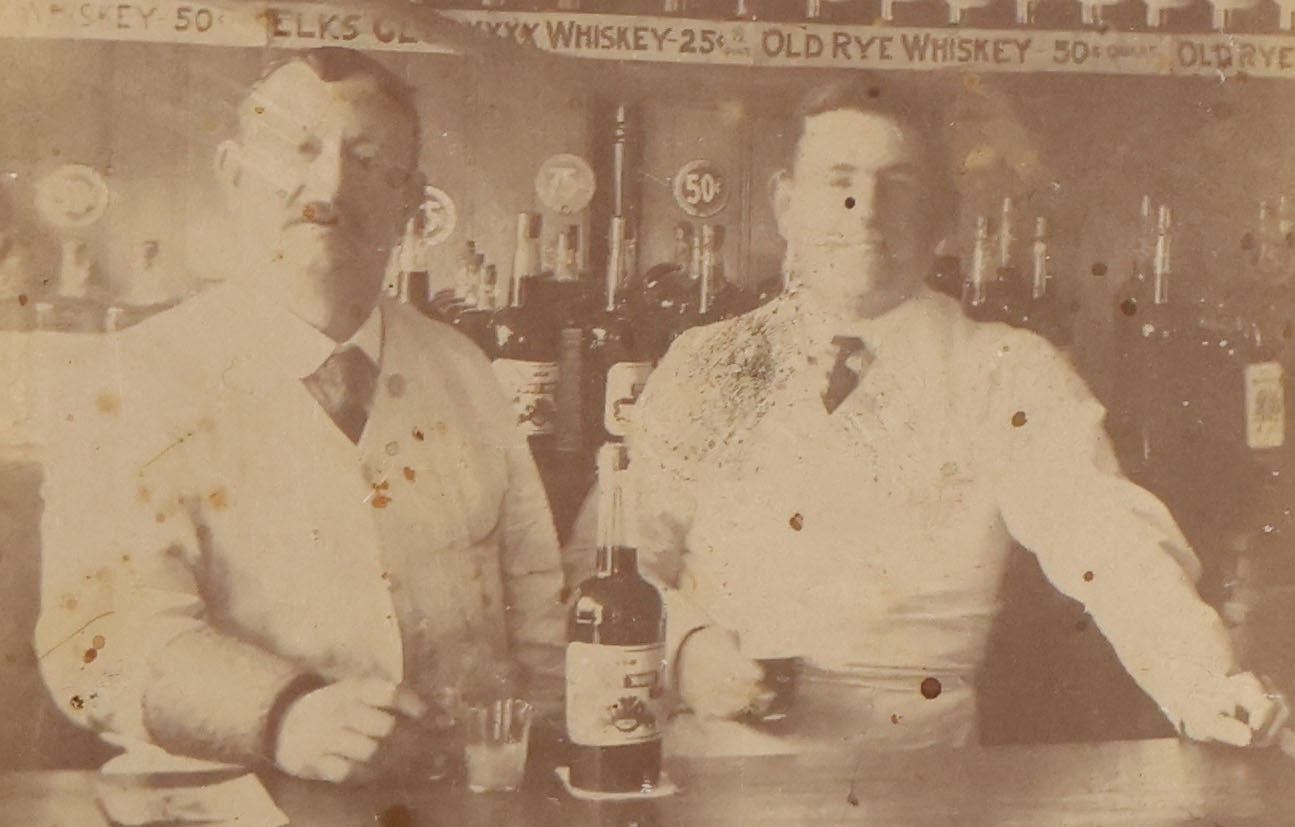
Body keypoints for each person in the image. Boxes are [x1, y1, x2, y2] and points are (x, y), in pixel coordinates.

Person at [626, 79, 1288, 750]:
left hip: (919, 781)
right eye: (838, 181)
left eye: (898, 184)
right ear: (785, 205)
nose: (863, 211)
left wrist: (1204, 683)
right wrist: (680, 649)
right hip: (716, 774)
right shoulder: (709, 362)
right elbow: (618, 552)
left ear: (941, 220)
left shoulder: (1003, 371)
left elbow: (1109, 542)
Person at [33, 48, 564, 783]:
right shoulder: (133, 379)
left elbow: (542, 624)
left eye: (369, 159)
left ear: (412, 202)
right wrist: (282, 714)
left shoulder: (464, 373)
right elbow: (94, 642)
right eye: (297, 150)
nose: (328, 186)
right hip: (224, 796)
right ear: (232, 173)